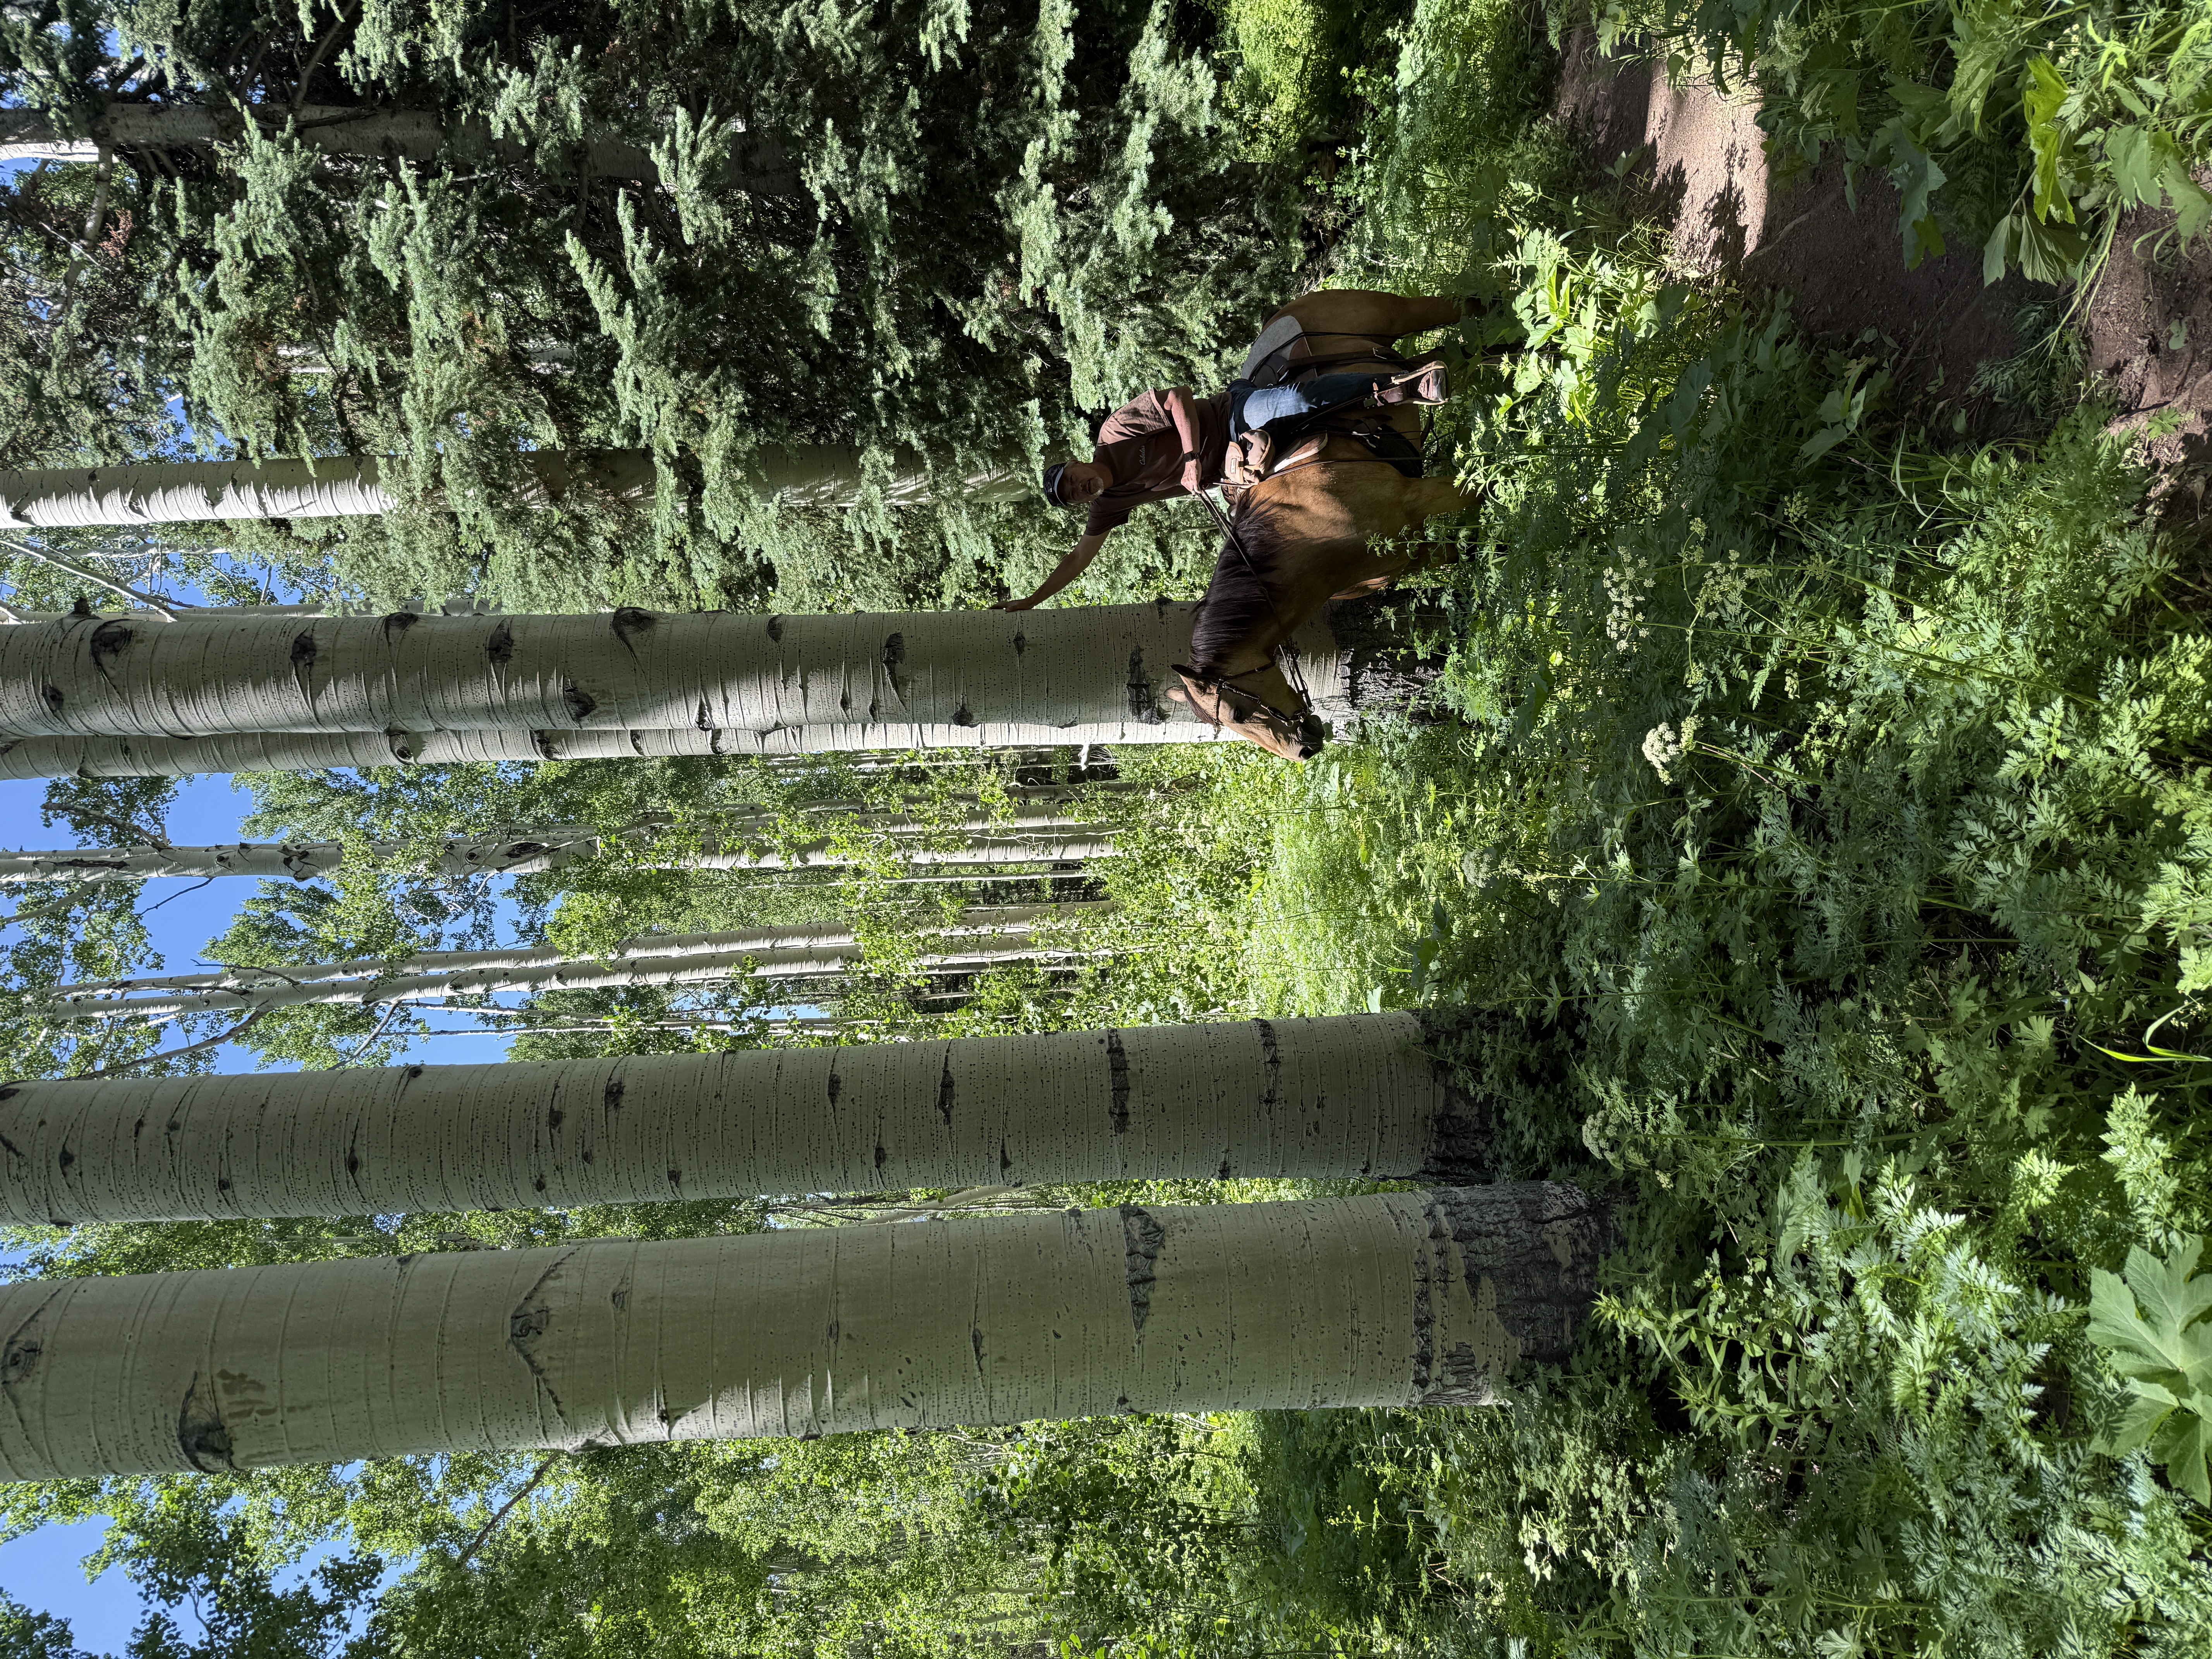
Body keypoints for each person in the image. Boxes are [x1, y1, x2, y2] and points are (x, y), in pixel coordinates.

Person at [1004, 289, 1464, 611]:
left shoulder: (1115, 433)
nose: (1083, 489)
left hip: (1232, 418)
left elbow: (1177, 399)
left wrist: (1188, 457)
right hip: (1233, 475)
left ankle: (1396, 388)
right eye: (1076, 497)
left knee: (1294, 401)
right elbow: (1079, 558)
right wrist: (1032, 600)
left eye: (1074, 481)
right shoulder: (1110, 503)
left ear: (1078, 462)